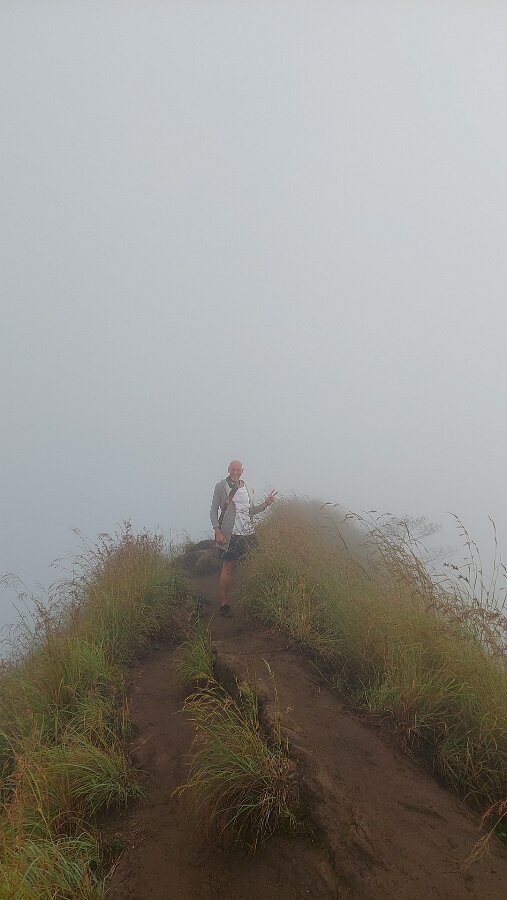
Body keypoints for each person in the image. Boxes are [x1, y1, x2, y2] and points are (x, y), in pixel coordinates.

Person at [210, 460, 277, 617]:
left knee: (255, 564)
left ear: (242, 471)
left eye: (238, 470)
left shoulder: (248, 488)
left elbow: (250, 511)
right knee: (228, 566)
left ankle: (253, 599)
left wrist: (266, 504)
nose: (235, 472)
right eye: (232, 469)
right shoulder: (221, 486)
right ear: (228, 469)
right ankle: (224, 605)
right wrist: (217, 530)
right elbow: (213, 510)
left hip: (248, 532)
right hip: (230, 534)